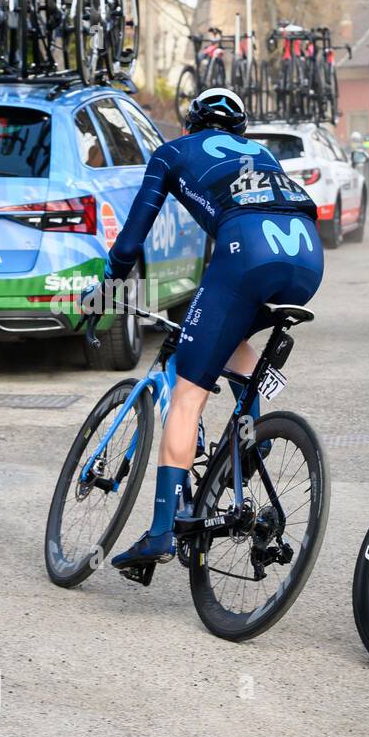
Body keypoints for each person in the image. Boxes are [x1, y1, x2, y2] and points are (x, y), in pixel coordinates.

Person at [79, 88, 323, 570]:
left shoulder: (172, 152)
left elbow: (131, 240)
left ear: (190, 126)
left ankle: (160, 532)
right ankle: (254, 437)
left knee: (189, 392)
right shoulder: (261, 153)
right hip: (308, 260)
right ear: (242, 134)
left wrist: (108, 283)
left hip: (247, 253)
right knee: (231, 338)